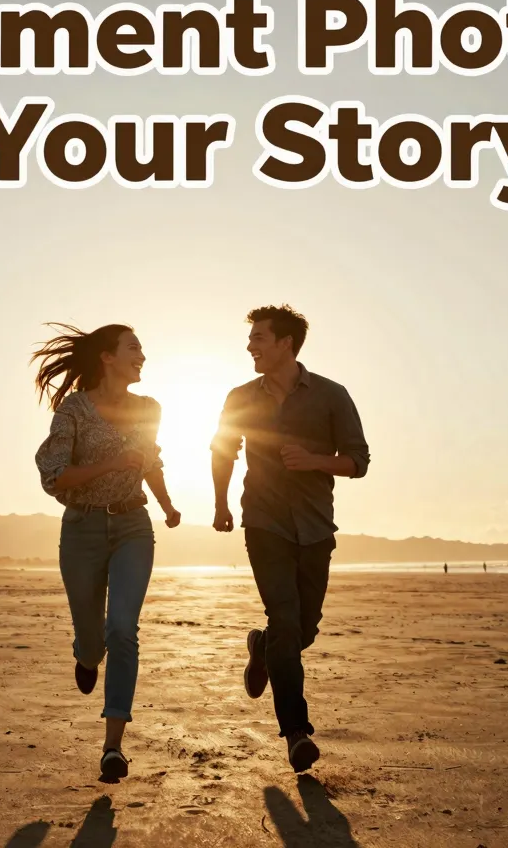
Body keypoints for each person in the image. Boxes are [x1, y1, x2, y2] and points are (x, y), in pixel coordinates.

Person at [210, 305, 370, 773]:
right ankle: (296, 732)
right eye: (250, 338)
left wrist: (315, 460)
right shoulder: (240, 395)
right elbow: (223, 449)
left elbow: (358, 460)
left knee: (302, 631)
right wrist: (220, 503)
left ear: (285, 343)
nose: (250, 346)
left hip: (317, 527)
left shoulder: (331, 395)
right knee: (284, 617)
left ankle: (262, 648)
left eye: (259, 338)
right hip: (264, 522)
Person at [32, 323, 181, 781]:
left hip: (133, 526)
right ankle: (84, 652)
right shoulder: (74, 409)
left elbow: (148, 461)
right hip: (82, 528)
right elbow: (55, 477)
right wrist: (113, 463)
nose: (142, 355)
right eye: (133, 347)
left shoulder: (149, 408)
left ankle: (113, 747)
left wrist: (167, 503)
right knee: (94, 639)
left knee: (122, 628)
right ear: (107, 357)